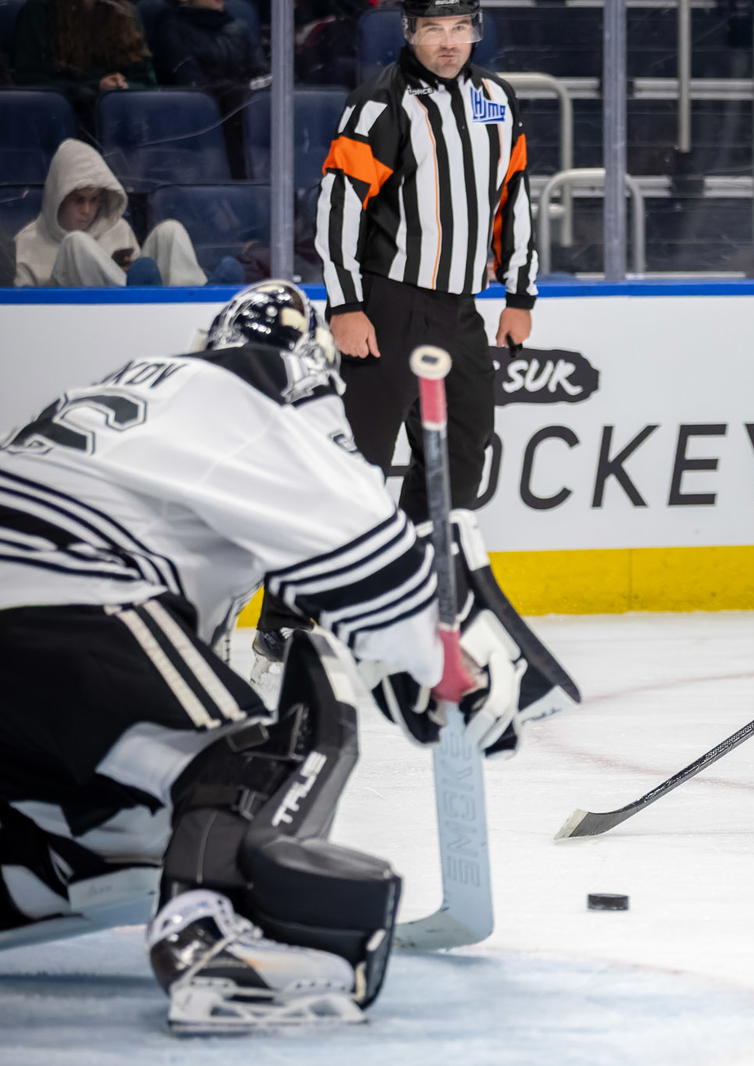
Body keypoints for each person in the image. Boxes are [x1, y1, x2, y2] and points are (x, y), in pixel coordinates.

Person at [0, 281, 578, 1029]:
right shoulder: (270, 381)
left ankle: (25, 874)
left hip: (37, 596)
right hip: (60, 591)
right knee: (256, 745)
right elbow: (360, 547)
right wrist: (449, 664)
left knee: (123, 792)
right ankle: (210, 935)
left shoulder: (134, 390)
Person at [267, 0, 537, 669]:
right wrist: (345, 306)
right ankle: (285, 616)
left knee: (462, 460)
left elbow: (515, 195)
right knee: (354, 468)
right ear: (410, 34)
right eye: (434, 31)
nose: (449, 44)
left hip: (461, 310)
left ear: (476, 31)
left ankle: (409, 596)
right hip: (386, 307)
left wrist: (520, 293)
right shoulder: (379, 105)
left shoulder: (496, 101)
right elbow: (338, 209)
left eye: (460, 29)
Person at [13, 138, 207, 288]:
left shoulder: (119, 229)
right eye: (78, 200)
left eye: (94, 200)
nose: (87, 211)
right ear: (58, 198)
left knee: (170, 231)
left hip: (146, 317)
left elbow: (143, 273)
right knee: (76, 243)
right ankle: (126, 297)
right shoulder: (27, 242)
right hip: (76, 325)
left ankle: (199, 306)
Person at [148, 0, 271, 179]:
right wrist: (242, 90)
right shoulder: (171, 27)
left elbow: (261, 72)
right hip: (199, 126)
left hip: (246, 120)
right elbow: (190, 80)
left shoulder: (239, 27)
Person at [9, 0, 157, 137]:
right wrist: (95, 88)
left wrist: (124, 87)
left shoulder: (124, 12)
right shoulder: (39, 11)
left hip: (119, 124)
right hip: (59, 124)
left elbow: (146, 82)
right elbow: (30, 81)